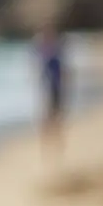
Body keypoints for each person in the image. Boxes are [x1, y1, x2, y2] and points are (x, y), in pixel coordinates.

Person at [35, 25, 67, 154]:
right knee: (50, 115)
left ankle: (54, 142)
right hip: (50, 88)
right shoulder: (48, 54)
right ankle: (48, 142)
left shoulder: (54, 52)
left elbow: (62, 72)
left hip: (55, 88)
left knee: (55, 115)